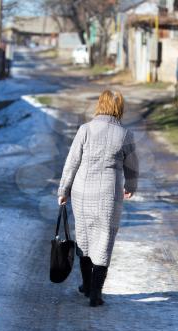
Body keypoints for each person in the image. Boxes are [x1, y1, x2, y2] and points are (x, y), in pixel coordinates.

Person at [57, 90, 139, 307]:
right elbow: (132, 166)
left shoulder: (85, 130)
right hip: (108, 195)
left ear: (99, 105)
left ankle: (85, 285)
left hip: (82, 191)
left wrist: (63, 190)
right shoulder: (125, 134)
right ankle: (95, 293)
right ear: (119, 108)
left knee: (83, 237)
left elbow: (72, 162)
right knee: (104, 240)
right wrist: (130, 186)